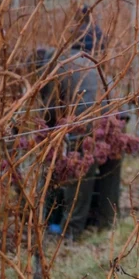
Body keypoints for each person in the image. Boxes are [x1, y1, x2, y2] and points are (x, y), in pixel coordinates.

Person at [32, 45, 102, 239]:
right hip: (110, 112)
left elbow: (50, 107)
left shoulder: (53, 66)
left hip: (84, 117)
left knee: (77, 173)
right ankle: (104, 219)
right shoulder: (80, 57)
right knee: (103, 167)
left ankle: (71, 230)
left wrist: (47, 131)